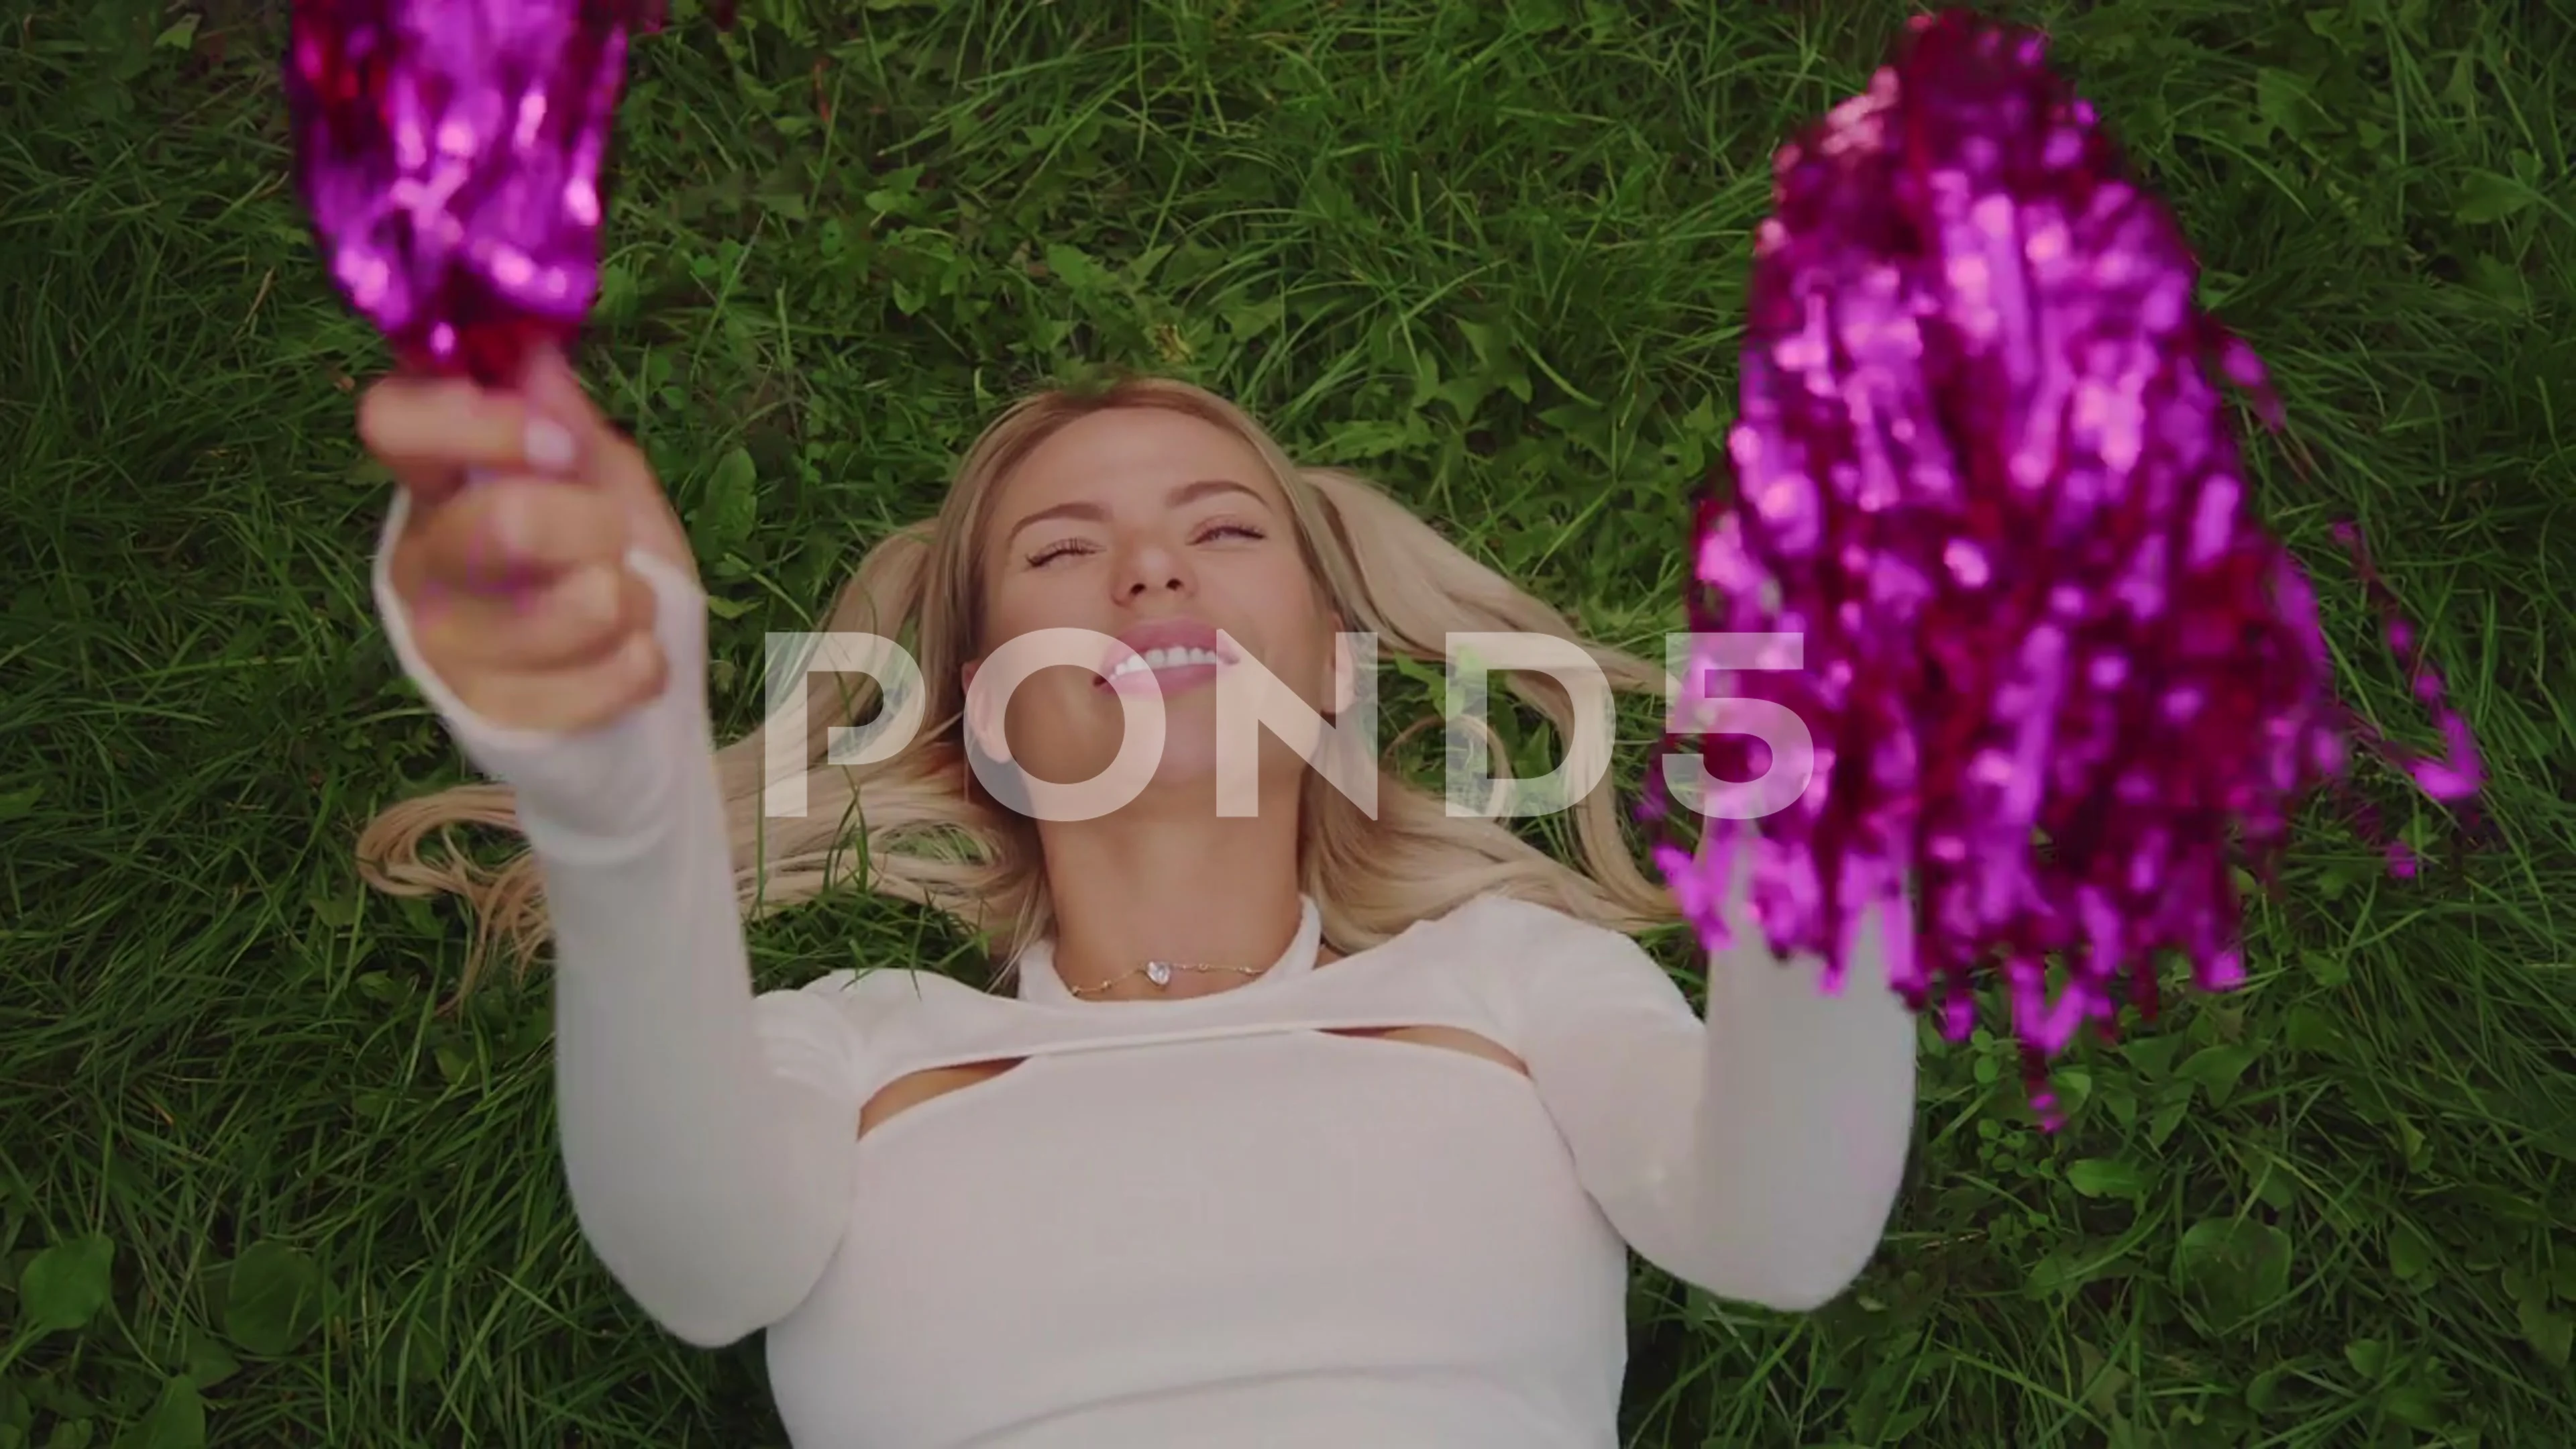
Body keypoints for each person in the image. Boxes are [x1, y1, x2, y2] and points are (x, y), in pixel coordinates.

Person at [352, 349, 1919, 1447]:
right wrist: (619, 801)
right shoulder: (853, 1047)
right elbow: (701, 1268)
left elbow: (1777, 1230)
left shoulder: (1511, 982)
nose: (1152, 576)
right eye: (1061, 552)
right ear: (979, 705)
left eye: (1225, 531)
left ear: (1330, 659)